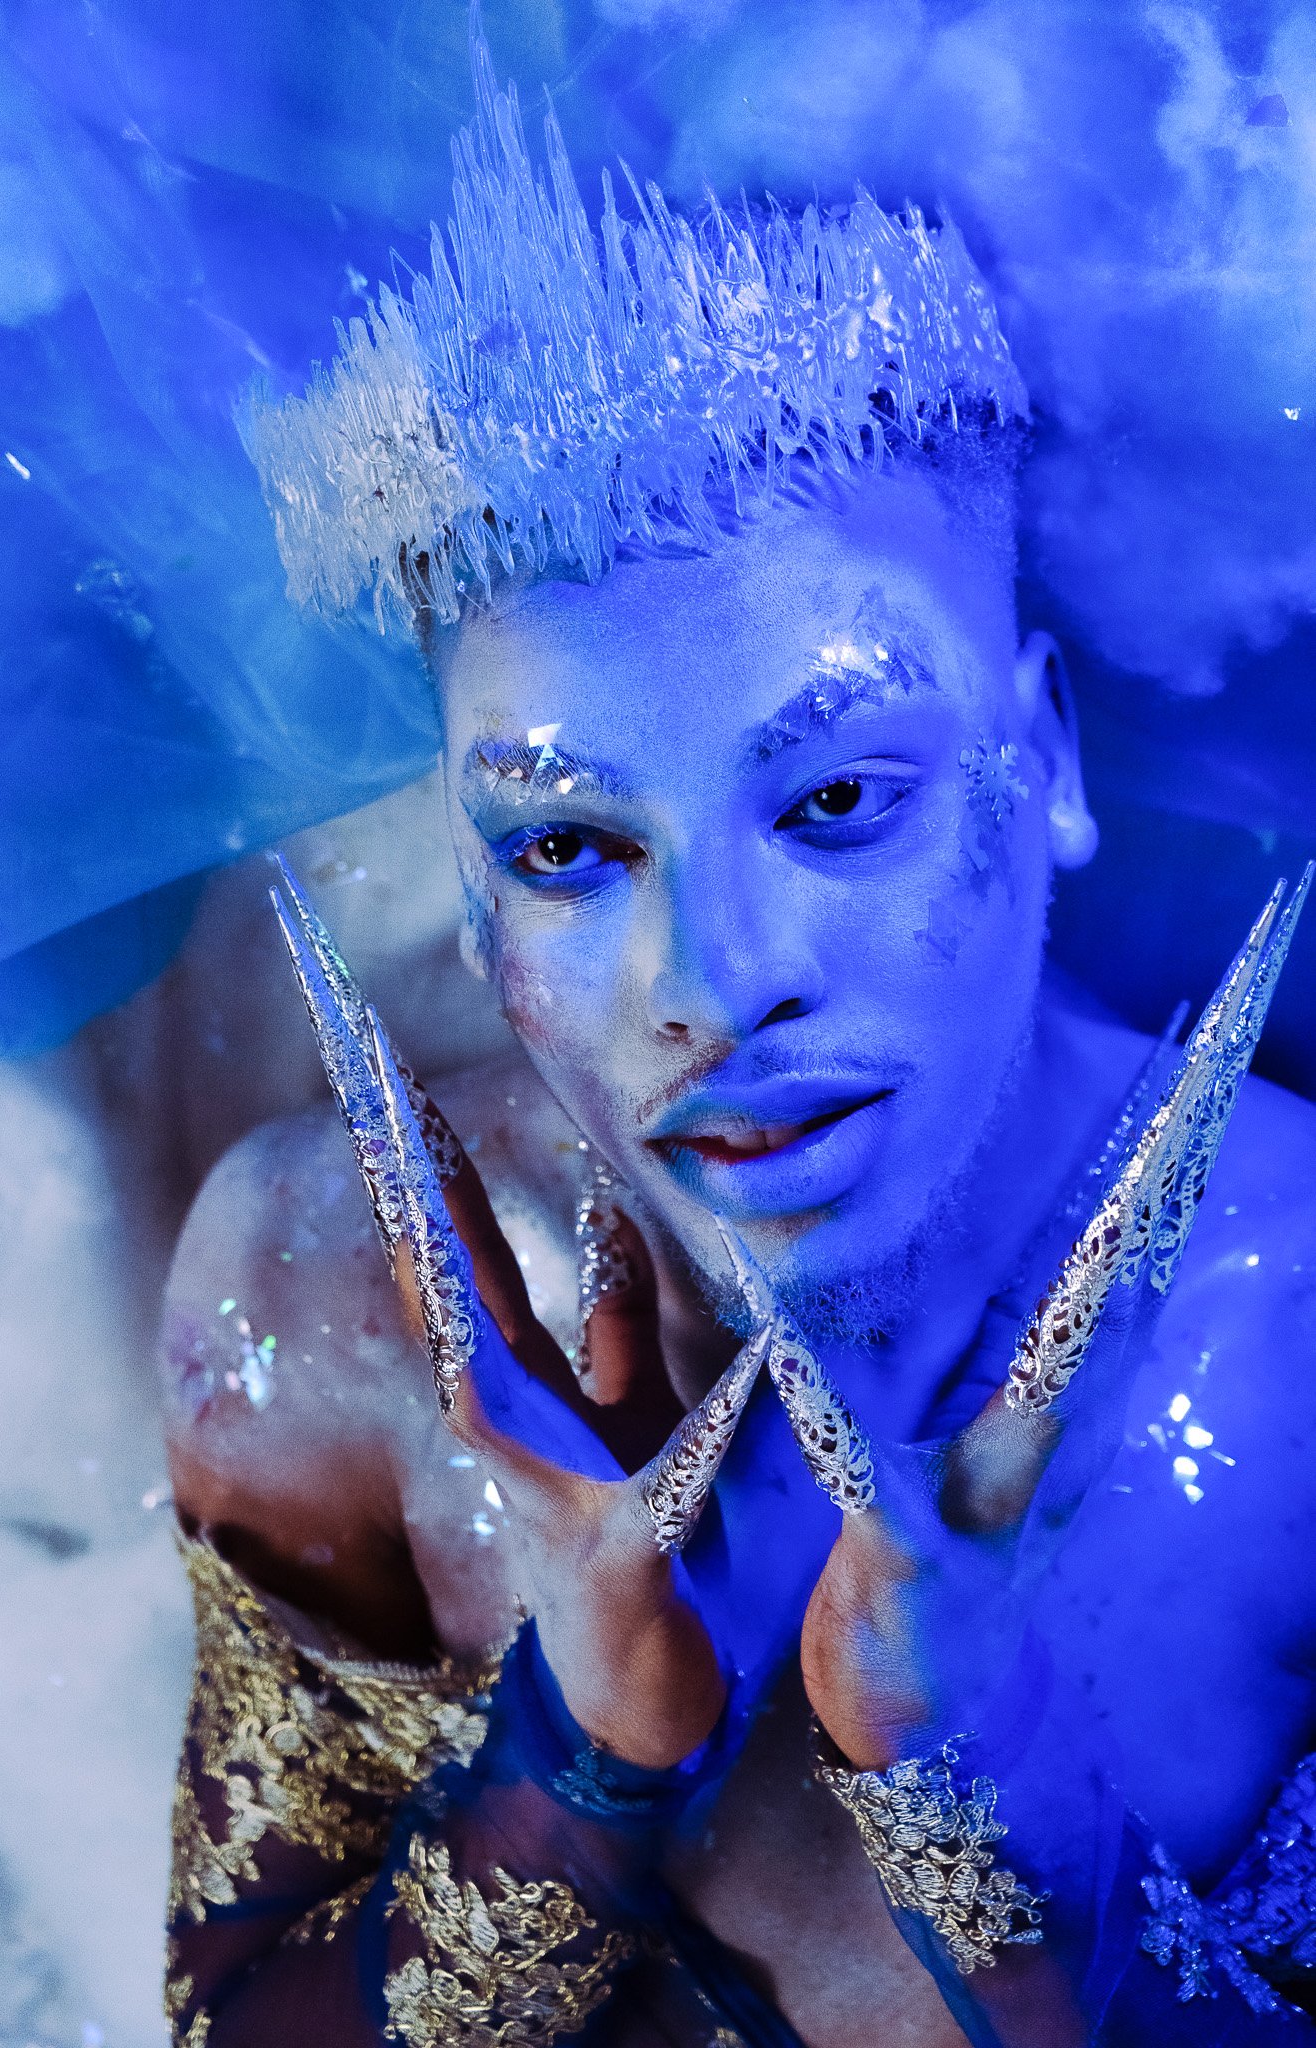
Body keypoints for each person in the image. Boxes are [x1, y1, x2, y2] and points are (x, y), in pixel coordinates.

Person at [159, 38, 1316, 2048]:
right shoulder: (320, 1283)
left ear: (1035, 756)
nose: (703, 980)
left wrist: (998, 1816)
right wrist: (573, 1763)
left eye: (837, 801)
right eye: (570, 844)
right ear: (466, 854)